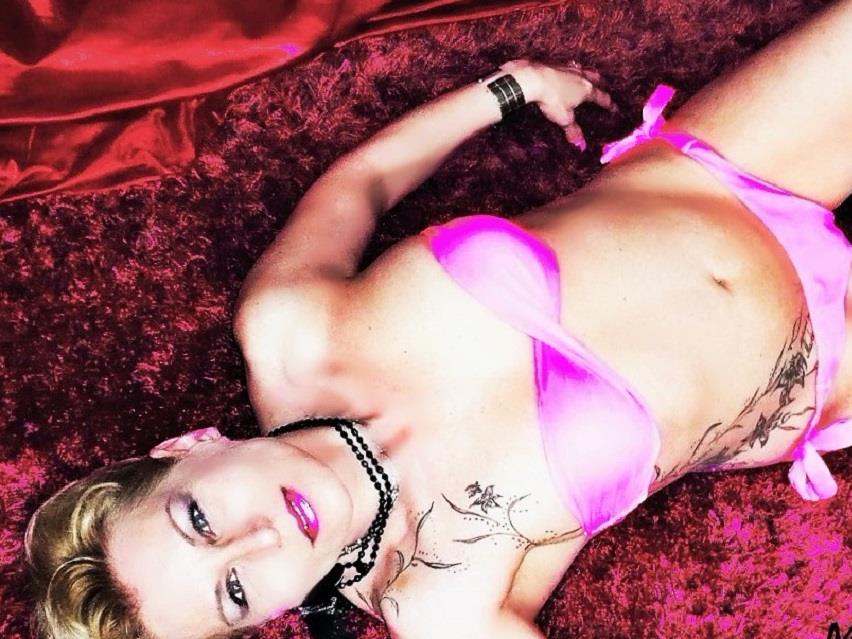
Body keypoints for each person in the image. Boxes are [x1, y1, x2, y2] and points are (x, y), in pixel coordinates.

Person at [24, 1, 852, 637]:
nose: (261, 538)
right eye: (234, 591)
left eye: (200, 519)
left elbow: (362, 185)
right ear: (262, 621)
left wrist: (509, 90)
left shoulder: (287, 328)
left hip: (719, 171)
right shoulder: (438, 604)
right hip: (818, 368)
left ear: (187, 448)